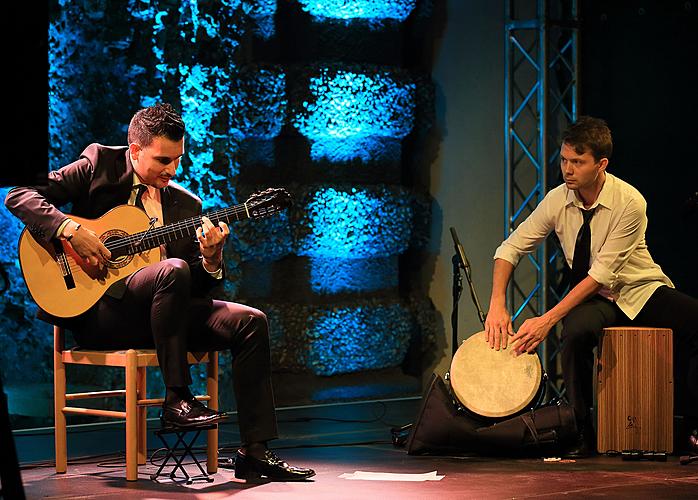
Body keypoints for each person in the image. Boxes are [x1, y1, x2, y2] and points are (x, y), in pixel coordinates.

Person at [4, 103, 315, 481]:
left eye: (178, 159)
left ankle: (255, 452)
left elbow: (193, 288)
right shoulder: (99, 163)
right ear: (134, 150)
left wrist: (212, 259)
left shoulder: (186, 205)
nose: (172, 170)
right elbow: (19, 194)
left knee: (250, 321)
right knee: (172, 269)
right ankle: (177, 398)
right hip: (100, 313)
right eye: (163, 160)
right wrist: (70, 230)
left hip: (162, 317)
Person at [484, 116, 698, 457]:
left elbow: (602, 274)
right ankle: (582, 432)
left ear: (601, 164)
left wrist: (546, 319)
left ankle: (693, 424)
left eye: (577, 162)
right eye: (564, 160)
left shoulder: (630, 202)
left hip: (639, 290)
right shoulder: (558, 199)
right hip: (597, 298)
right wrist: (498, 302)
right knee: (575, 334)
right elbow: (510, 248)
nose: (568, 169)